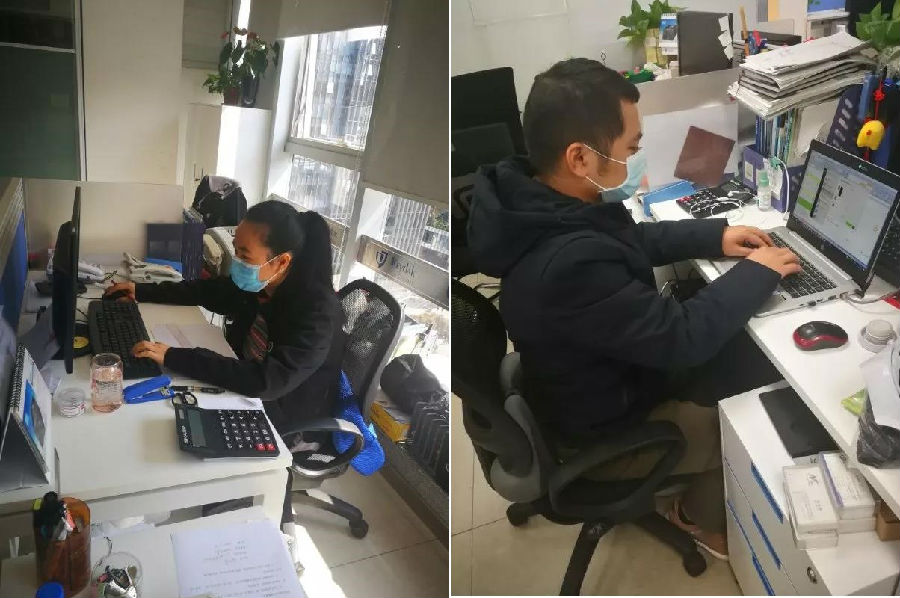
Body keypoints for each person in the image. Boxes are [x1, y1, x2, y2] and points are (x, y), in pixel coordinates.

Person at [467, 58, 800, 559]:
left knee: (725, 330)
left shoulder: (539, 204)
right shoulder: (568, 264)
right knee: (755, 397)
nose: (636, 158)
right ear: (580, 158)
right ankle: (698, 517)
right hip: (606, 435)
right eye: (631, 147)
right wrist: (760, 271)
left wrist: (715, 235)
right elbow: (682, 338)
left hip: (588, 389)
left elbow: (628, 241)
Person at [105, 200, 346, 529]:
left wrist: (176, 356)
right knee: (166, 407)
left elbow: (267, 381)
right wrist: (142, 291)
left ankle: (273, 522)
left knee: (175, 419)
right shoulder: (263, 284)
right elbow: (209, 292)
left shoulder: (317, 313)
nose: (237, 262)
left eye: (246, 255)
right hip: (247, 378)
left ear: (281, 261)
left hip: (286, 408)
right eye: (236, 249)